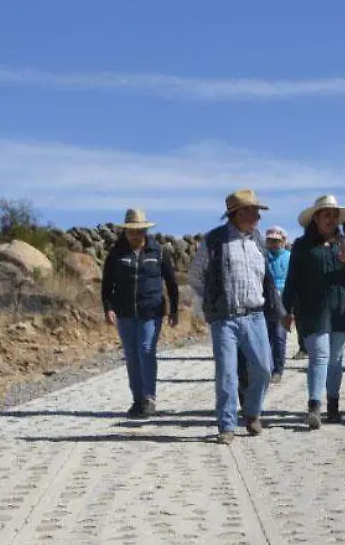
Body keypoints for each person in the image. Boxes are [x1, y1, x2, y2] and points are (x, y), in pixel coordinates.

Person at [189, 189, 280, 445]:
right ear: (237, 213)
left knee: (264, 368)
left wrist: (279, 309)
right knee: (227, 373)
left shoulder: (259, 241)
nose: (257, 217)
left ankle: (252, 412)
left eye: (258, 212)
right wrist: (209, 306)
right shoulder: (214, 240)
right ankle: (226, 425)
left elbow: (266, 279)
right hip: (225, 318)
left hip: (255, 316)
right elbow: (196, 276)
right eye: (253, 211)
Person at [283, 195, 345, 429]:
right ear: (316, 218)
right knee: (319, 356)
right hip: (312, 311)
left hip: (341, 310)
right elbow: (292, 280)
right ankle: (314, 406)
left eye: (334, 215)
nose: (330, 219)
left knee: (335, 359)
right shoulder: (302, 246)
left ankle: (333, 404)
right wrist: (286, 309)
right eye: (325, 214)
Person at [101, 208, 180, 419]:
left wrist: (174, 310)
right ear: (125, 232)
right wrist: (108, 308)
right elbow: (107, 284)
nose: (136, 235)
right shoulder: (116, 254)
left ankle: (149, 397)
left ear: (145, 230)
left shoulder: (158, 252)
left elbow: (172, 283)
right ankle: (137, 399)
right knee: (132, 355)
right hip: (125, 312)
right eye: (131, 231)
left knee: (146, 350)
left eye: (139, 231)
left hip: (151, 310)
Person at [264, 226, 290, 383]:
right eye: (270, 241)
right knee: (266, 336)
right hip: (265, 300)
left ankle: (278, 370)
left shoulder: (289, 257)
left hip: (283, 300)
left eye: (276, 241)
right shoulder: (263, 257)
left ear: (283, 242)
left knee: (279, 335)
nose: (273, 244)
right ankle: (267, 367)